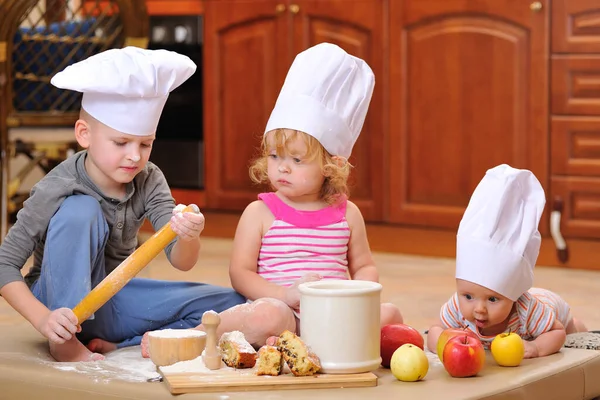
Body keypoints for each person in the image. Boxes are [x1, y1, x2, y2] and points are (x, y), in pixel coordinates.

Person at [0, 47, 245, 363]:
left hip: (113, 300)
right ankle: (67, 343)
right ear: (84, 135)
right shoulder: (57, 184)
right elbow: (5, 265)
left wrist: (187, 234)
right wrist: (45, 320)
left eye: (145, 144)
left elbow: (182, 262)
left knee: (230, 302)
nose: (134, 155)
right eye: (121, 143)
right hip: (60, 307)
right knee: (81, 210)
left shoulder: (149, 178)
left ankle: (125, 344)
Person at [426, 164, 587, 358]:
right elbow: (435, 328)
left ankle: (578, 326)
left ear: (513, 295)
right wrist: (442, 345)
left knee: (574, 339)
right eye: (468, 296)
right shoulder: (457, 306)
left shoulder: (529, 311)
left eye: (493, 299)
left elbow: (557, 332)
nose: (479, 309)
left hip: (551, 306)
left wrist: (536, 347)